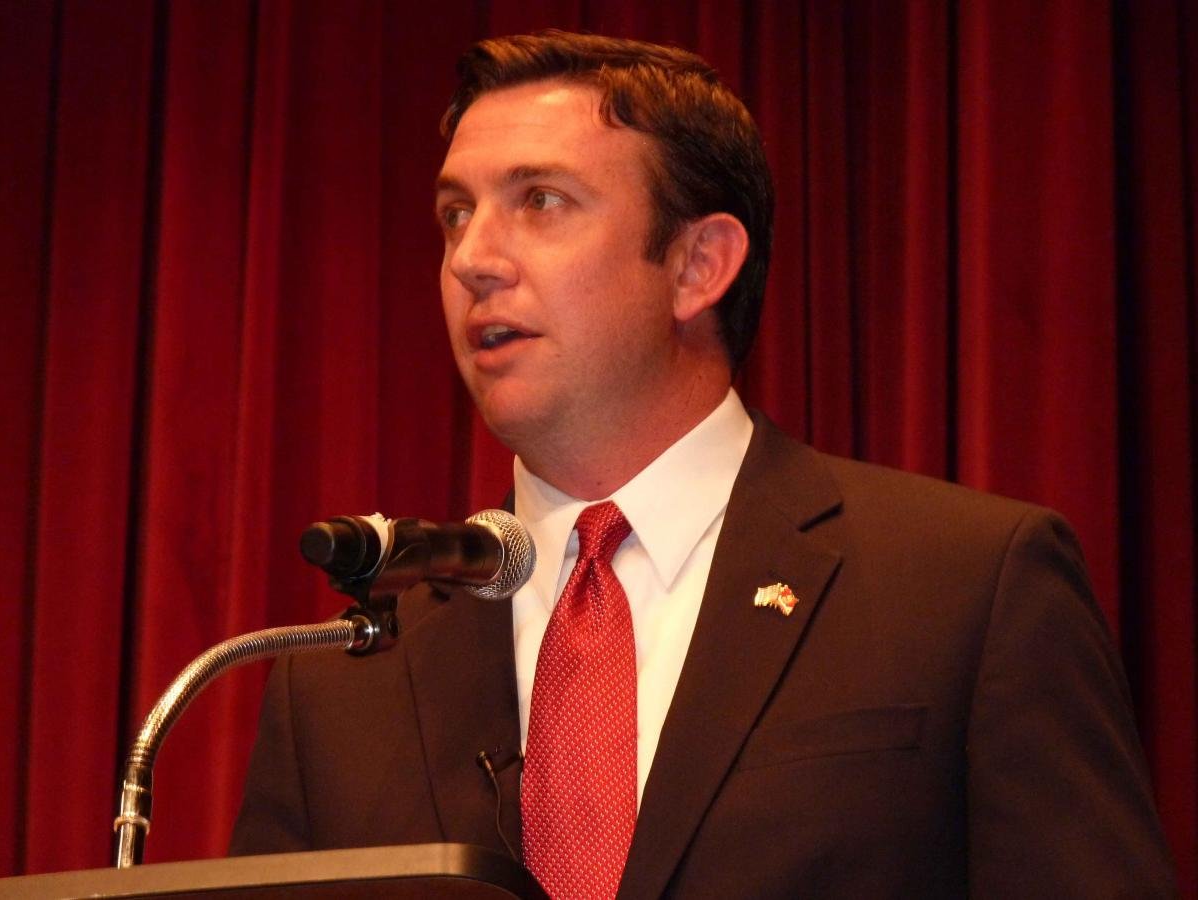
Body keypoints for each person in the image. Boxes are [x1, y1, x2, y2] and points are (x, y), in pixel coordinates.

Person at [231, 31, 1176, 897]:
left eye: (541, 202)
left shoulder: (965, 588)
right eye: (454, 214)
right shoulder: (342, 680)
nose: (472, 258)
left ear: (698, 265)